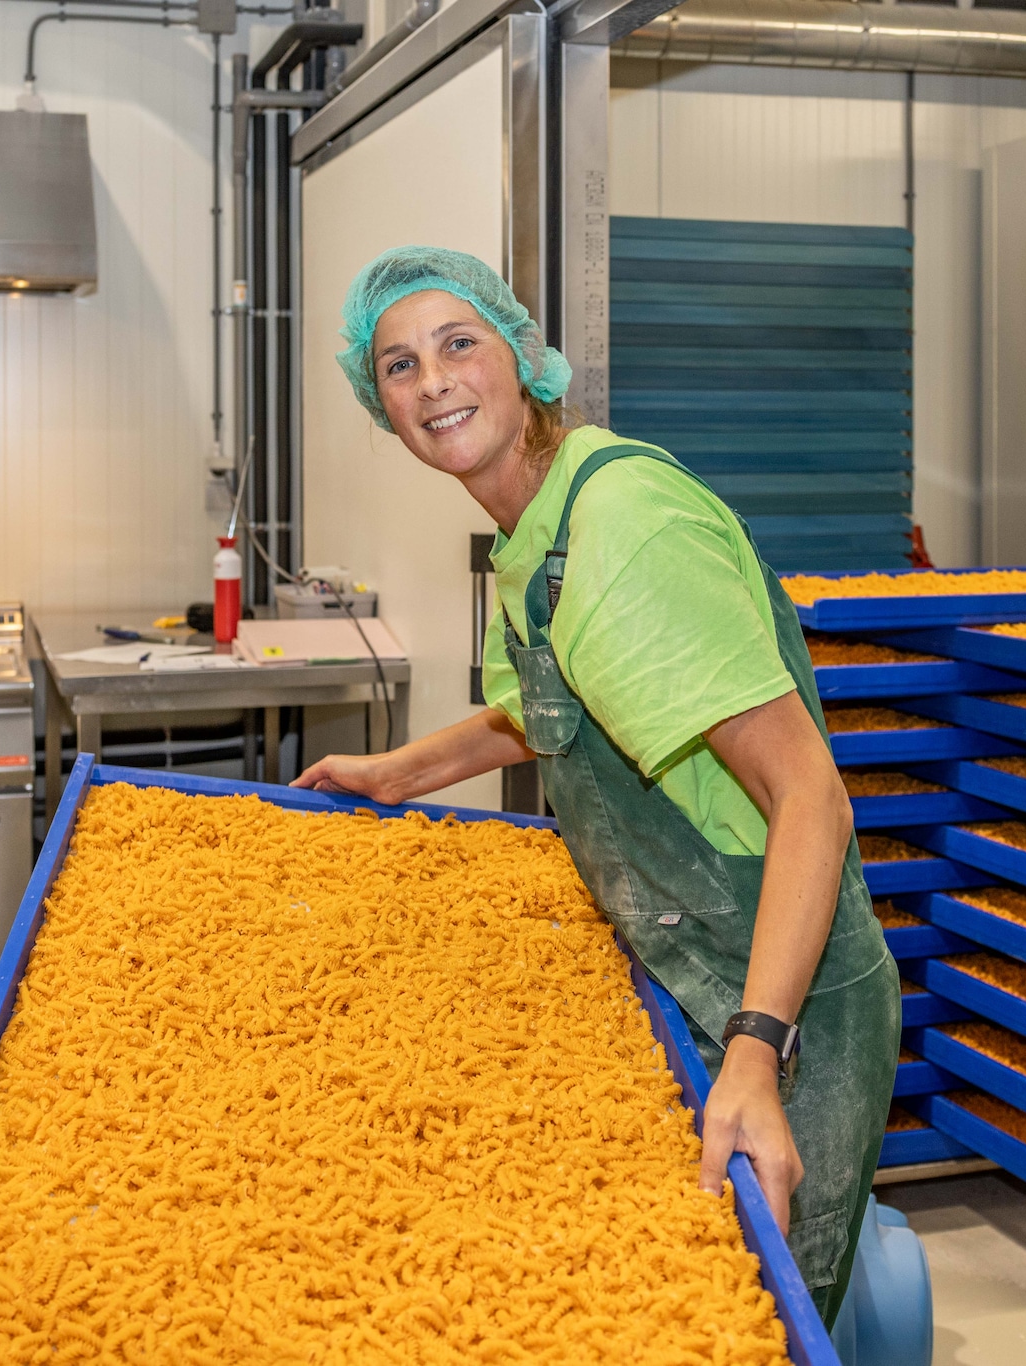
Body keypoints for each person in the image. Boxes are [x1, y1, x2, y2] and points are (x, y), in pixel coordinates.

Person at [293, 245, 899, 1324]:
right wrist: (398, 772)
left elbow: (811, 797)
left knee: (752, 1319)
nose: (432, 381)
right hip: (680, 968)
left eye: (458, 343)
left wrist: (757, 1052)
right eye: (398, 365)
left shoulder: (621, 526)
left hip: (782, 1002)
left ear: (522, 358)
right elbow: (547, 709)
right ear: (381, 407)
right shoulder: (535, 530)